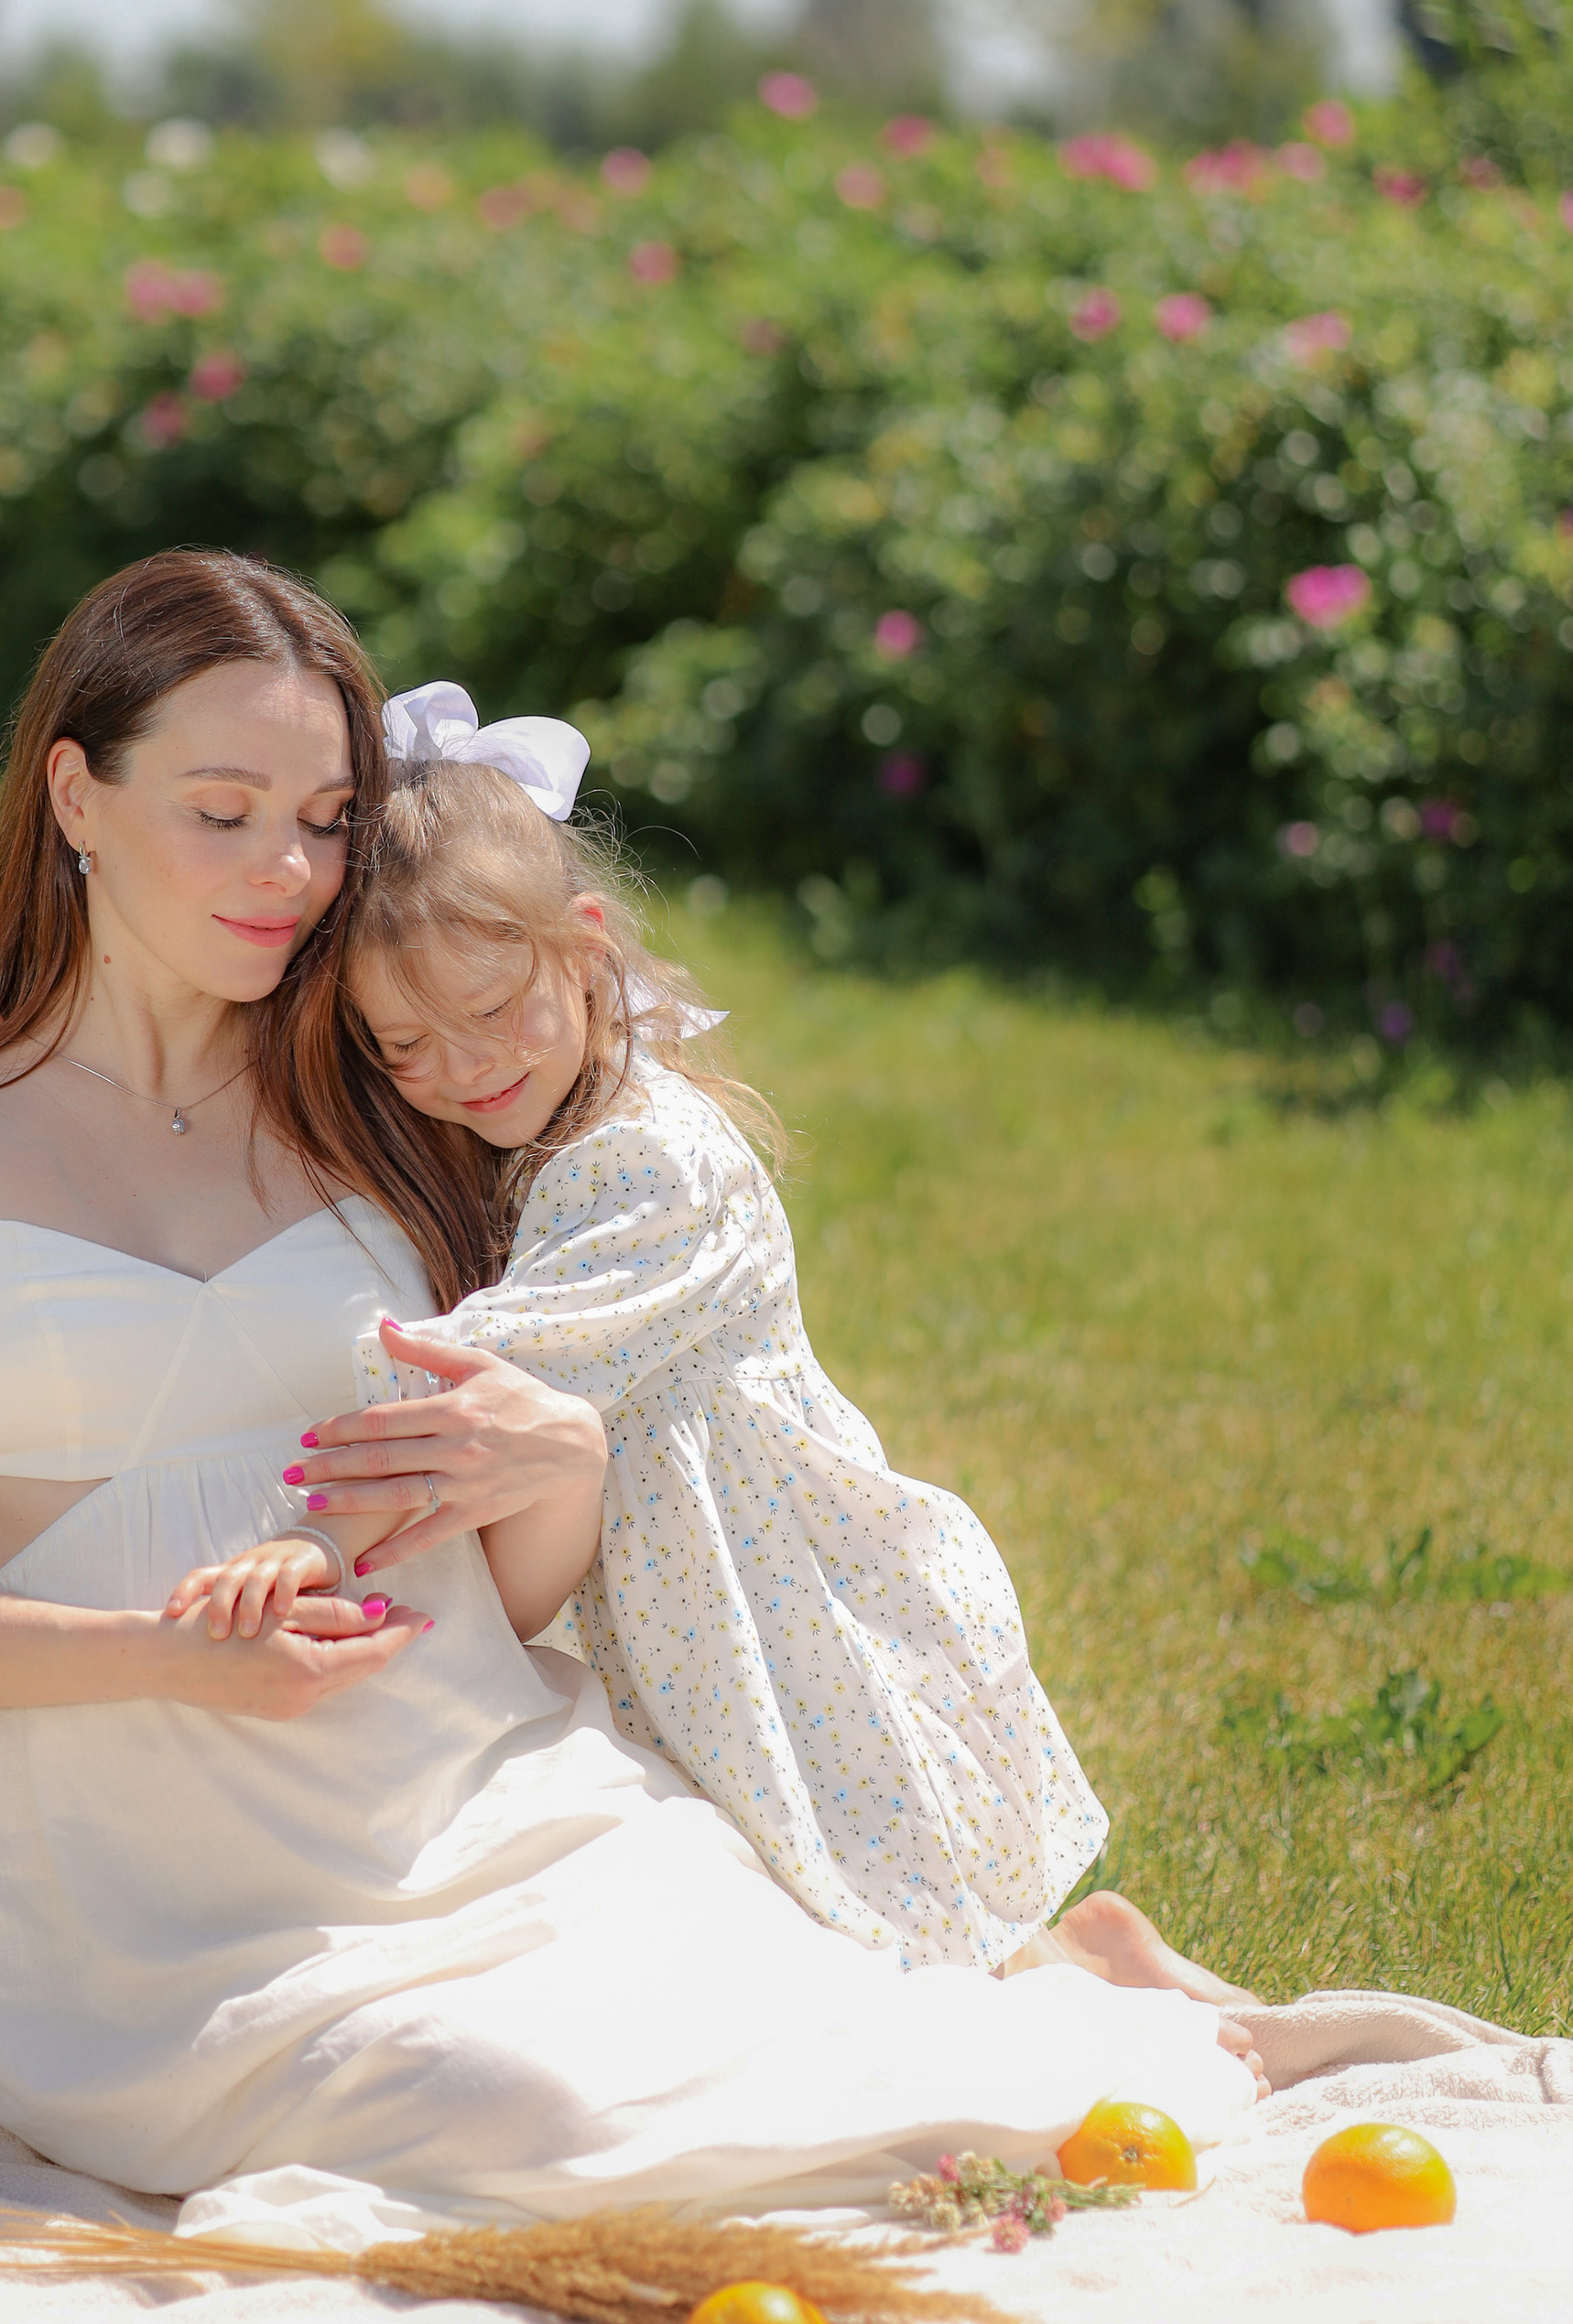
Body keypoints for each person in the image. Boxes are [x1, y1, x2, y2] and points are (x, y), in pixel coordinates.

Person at [0, 553, 1256, 2244]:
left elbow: (498, 1573)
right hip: (129, 1868)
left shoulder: (390, 1096)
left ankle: (1064, 1982)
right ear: (75, 790)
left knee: (831, 2048)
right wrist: (162, 1653)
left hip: (475, 1778)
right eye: (222, 811)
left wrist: (559, 1462)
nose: (289, 870)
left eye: (328, 815)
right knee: (537, 2113)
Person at [222, 685, 1246, 2005]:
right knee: (826, 1904)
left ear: (586, 950)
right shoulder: (558, 1129)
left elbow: (488, 1369)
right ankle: (1080, 1962)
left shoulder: (646, 1161)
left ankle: (1168, 2009)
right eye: (405, 1044)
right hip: (701, 1594)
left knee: (859, 1910)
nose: (462, 1069)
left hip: (778, 1600)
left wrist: (307, 1525)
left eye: (493, 1013)